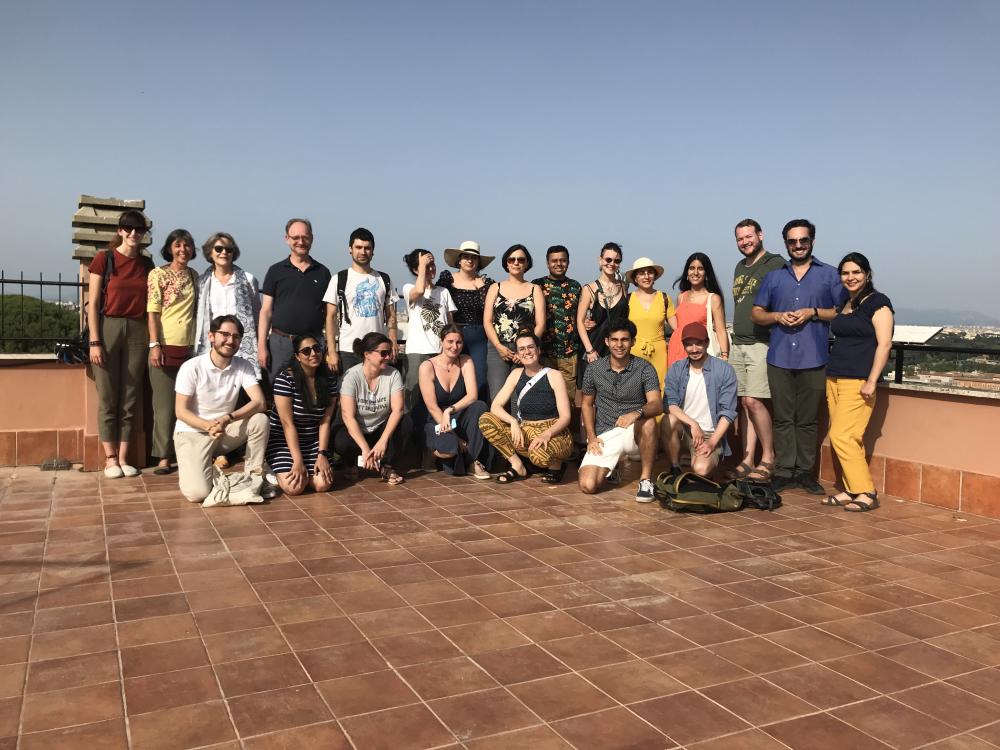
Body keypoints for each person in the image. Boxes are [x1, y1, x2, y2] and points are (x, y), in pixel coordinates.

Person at [751, 219, 848, 494]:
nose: (798, 246)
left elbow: (843, 312)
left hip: (814, 357)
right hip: (779, 357)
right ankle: (783, 470)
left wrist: (813, 312)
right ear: (786, 244)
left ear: (812, 242)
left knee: (807, 420)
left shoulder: (829, 275)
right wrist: (777, 316)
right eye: (792, 242)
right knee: (783, 418)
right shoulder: (774, 276)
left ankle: (804, 472)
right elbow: (756, 313)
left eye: (803, 240)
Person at [173, 315, 278, 502]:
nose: (231, 341)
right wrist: (208, 426)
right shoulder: (192, 367)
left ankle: (254, 478)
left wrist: (228, 418)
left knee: (260, 420)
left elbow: (259, 402)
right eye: (225, 334)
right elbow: (181, 411)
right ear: (211, 336)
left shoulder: (243, 366)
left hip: (224, 430)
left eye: (236, 336)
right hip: (192, 433)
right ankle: (201, 469)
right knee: (197, 494)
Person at [821, 253, 893, 512]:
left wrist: (872, 380)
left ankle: (867, 491)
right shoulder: (846, 302)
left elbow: (884, 344)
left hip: (859, 379)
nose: (850, 277)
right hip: (835, 377)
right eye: (845, 273)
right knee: (848, 437)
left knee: (842, 435)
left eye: (856, 272)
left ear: (867, 274)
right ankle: (849, 489)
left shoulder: (878, 303)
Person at [86, 209, 154, 479]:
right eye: (128, 228)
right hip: (108, 327)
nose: (134, 233)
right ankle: (110, 458)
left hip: (137, 329)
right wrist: (95, 341)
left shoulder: (147, 265)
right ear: (120, 230)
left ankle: (125, 457)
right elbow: (92, 305)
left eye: (139, 229)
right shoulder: (105, 258)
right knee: (107, 396)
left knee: (130, 396)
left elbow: (153, 303)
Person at [578, 319, 663, 501]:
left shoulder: (645, 368)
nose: (619, 344)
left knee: (648, 422)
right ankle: (613, 467)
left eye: (624, 340)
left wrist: (636, 413)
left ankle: (646, 480)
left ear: (632, 341)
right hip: (605, 433)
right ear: (607, 342)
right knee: (588, 485)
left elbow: (656, 404)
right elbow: (586, 404)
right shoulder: (594, 369)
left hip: (633, 432)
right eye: (614, 340)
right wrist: (591, 437)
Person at [729, 219, 785, 482]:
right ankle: (748, 458)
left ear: (761, 235)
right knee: (744, 403)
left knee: (755, 401)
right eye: (740, 239)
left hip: (761, 343)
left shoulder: (774, 263)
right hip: (738, 343)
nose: (745, 242)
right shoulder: (740, 267)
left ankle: (768, 458)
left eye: (749, 237)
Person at [479, 332, 573, 483]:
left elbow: (566, 417)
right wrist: (513, 422)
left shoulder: (554, 375)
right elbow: (495, 406)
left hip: (553, 432)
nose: (527, 352)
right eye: (522, 349)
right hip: (526, 431)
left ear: (539, 350)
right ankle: (518, 465)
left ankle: (556, 466)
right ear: (517, 353)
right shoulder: (516, 374)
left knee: (538, 457)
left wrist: (546, 434)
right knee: (486, 420)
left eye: (530, 347)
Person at [147, 229, 199, 475]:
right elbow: (153, 312)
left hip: (189, 349)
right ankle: (163, 456)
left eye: (187, 246)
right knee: (165, 407)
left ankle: (186, 451)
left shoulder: (194, 276)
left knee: (191, 404)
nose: (183, 250)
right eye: (178, 245)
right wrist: (154, 345)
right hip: (164, 347)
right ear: (169, 248)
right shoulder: (158, 274)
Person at [258, 218, 332, 384]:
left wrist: (329, 347)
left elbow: (329, 314)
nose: (301, 241)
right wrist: (262, 346)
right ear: (287, 239)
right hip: (281, 344)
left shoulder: (323, 272)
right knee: (278, 388)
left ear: (311, 238)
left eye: (305, 237)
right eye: (295, 237)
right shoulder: (275, 271)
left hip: (312, 345)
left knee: (312, 389)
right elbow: (266, 311)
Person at [663, 323, 739, 481]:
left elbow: (728, 412)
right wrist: (693, 424)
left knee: (701, 469)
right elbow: (671, 404)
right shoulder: (676, 369)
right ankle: (675, 467)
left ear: (707, 343)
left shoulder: (724, 370)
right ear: (684, 346)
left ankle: (709, 459)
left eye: (698, 343)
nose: (694, 349)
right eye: (689, 344)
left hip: (710, 434)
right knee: (667, 420)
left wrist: (711, 442)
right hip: (685, 430)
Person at [266, 335, 339, 496]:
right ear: (297, 357)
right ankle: (272, 469)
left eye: (317, 348)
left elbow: (325, 422)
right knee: (295, 487)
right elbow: (287, 424)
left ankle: (307, 466)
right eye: (306, 351)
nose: (313, 353)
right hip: (284, 441)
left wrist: (322, 454)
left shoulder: (330, 380)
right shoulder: (285, 379)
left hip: (313, 441)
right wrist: (298, 460)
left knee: (322, 484)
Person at [334, 332, 408, 485]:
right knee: (339, 440)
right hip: (358, 430)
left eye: (389, 352)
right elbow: (348, 416)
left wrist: (383, 441)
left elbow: (398, 409)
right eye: (383, 353)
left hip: (379, 428)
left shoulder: (393, 374)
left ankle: (387, 466)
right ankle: (352, 462)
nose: (388, 357)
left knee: (406, 423)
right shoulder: (351, 376)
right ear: (367, 354)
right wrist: (365, 448)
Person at [418, 325, 490, 478]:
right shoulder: (427, 366)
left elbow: (472, 395)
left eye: (459, 342)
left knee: (479, 406)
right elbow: (431, 406)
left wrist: (449, 410)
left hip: (455, 413)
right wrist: (456, 438)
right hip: (435, 419)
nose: (454, 346)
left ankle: (472, 462)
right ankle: (430, 451)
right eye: (450, 341)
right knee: (451, 448)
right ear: (442, 342)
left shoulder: (466, 361)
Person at [323, 227, 397, 373]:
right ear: (350, 249)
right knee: (349, 393)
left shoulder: (384, 279)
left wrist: (393, 341)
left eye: (367, 248)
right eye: (358, 247)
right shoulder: (339, 279)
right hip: (348, 350)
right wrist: (332, 351)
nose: (363, 252)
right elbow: (330, 317)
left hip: (378, 350)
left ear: (373, 251)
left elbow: (391, 316)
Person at [194, 232, 261, 378]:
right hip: (212, 349)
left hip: (240, 347)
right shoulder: (202, 283)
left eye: (228, 249)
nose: (224, 252)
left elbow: (257, 317)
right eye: (218, 249)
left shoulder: (249, 280)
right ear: (210, 253)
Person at [483, 244, 545, 400]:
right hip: (498, 349)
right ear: (506, 263)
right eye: (512, 259)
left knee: (520, 397)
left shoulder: (534, 289)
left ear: (526, 263)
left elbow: (540, 323)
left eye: (521, 259)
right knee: (497, 396)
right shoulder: (494, 288)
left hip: (525, 351)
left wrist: (526, 349)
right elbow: (487, 321)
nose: (516, 263)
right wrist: (498, 346)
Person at [401, 249, 455, 420]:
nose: (431, 269)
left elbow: (450, 323)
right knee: (412, 397)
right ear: (416, 270)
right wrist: (422, 264)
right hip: (417, 352)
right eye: (426, 266)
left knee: (437, 398)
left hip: (440, 352)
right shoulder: (409, 288)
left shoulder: (443, 292)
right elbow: (418, 289)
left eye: (433, 265)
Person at [438, 241, 495, 398]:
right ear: (459, 260)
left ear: (479, 262)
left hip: (479, 335)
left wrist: (482, 288)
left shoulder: (487, 284)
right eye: (466, 257)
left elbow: (490, 310)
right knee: (453, 376)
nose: (470, 261)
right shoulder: (447, 280)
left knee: (480, 378)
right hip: (454, 334)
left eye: (474, 258)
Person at [532, 245, 582, 401]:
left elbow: (582, 316)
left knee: (568, 400)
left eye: (563, 260)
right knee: (543, 398)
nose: (559, 264)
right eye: (554, 261)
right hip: (543, 353)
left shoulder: (576, 286)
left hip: (569, 353)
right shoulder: (536, 285)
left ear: (568, 262)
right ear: (547, 263)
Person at [624, 256, 678, 392]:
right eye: (641, 273)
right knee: (634, 389)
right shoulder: (627, 299)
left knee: (660, 389)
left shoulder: (665, 298)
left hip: (659, 353)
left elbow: (677, 329)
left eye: (650, 272)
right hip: (634, 351)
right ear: (635, 278)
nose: (646, 276)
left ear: (655, 276)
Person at [667, 253, 729, 367]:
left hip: (697, 351)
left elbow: (721, 330)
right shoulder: (681, 296)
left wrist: (724, 356)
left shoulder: (713, 298)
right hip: (676, 349)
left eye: (700, 269)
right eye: (691, 268)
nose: (695, 273)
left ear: (706, 273)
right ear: (687, 272)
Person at [577, 242, 628, 381]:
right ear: (600, 260)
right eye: (608, 259)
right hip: (594, 349)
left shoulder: (623, 287)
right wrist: (589, 350)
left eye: (616, 261)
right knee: (590, 395)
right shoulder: (589, 289)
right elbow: (580, 322)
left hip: (616, 349)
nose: (612, 263)